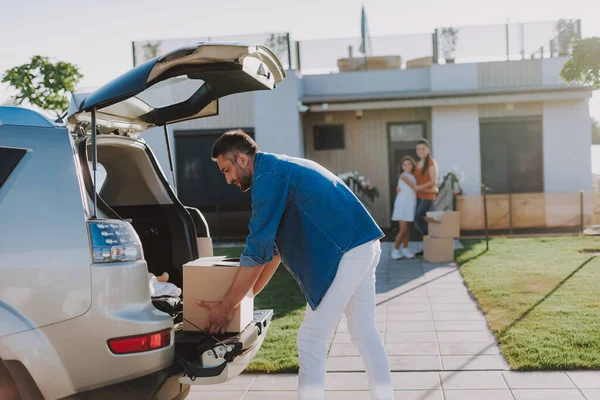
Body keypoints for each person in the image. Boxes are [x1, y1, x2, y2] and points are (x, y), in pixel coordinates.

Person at [199, 130, 393, 400]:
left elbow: (256, 250)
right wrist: (248, 297)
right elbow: (272, 252)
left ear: (242, 159)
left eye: (227, 170)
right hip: (364, 244)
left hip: (348, 252)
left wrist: (226, 307)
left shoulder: (268, 178)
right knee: (364, 332)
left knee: (311, 338)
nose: (228, 179)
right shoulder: (277, 167)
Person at [390, 156, 418, 260]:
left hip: (410, 204)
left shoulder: (413, 176)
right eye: (405, 165)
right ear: (401, 167)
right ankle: (395, 250)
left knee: (407, 230)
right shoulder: (403, 176)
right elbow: (414, 187)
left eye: (409, 164)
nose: (407, 166)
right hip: (402, 205)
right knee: (403, 229)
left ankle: (405, 249)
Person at [413, 139, 439, 238]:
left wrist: (419, 188)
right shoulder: (417, 164)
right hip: (418, 197)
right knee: (422, 221)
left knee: (418, 219)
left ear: (428, 150)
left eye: (423, 149)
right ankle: (429, 245)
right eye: (418, 149)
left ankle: (433, 238)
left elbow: (433, 182)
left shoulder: (431, 163)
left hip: (428, 198)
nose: (420, 151)